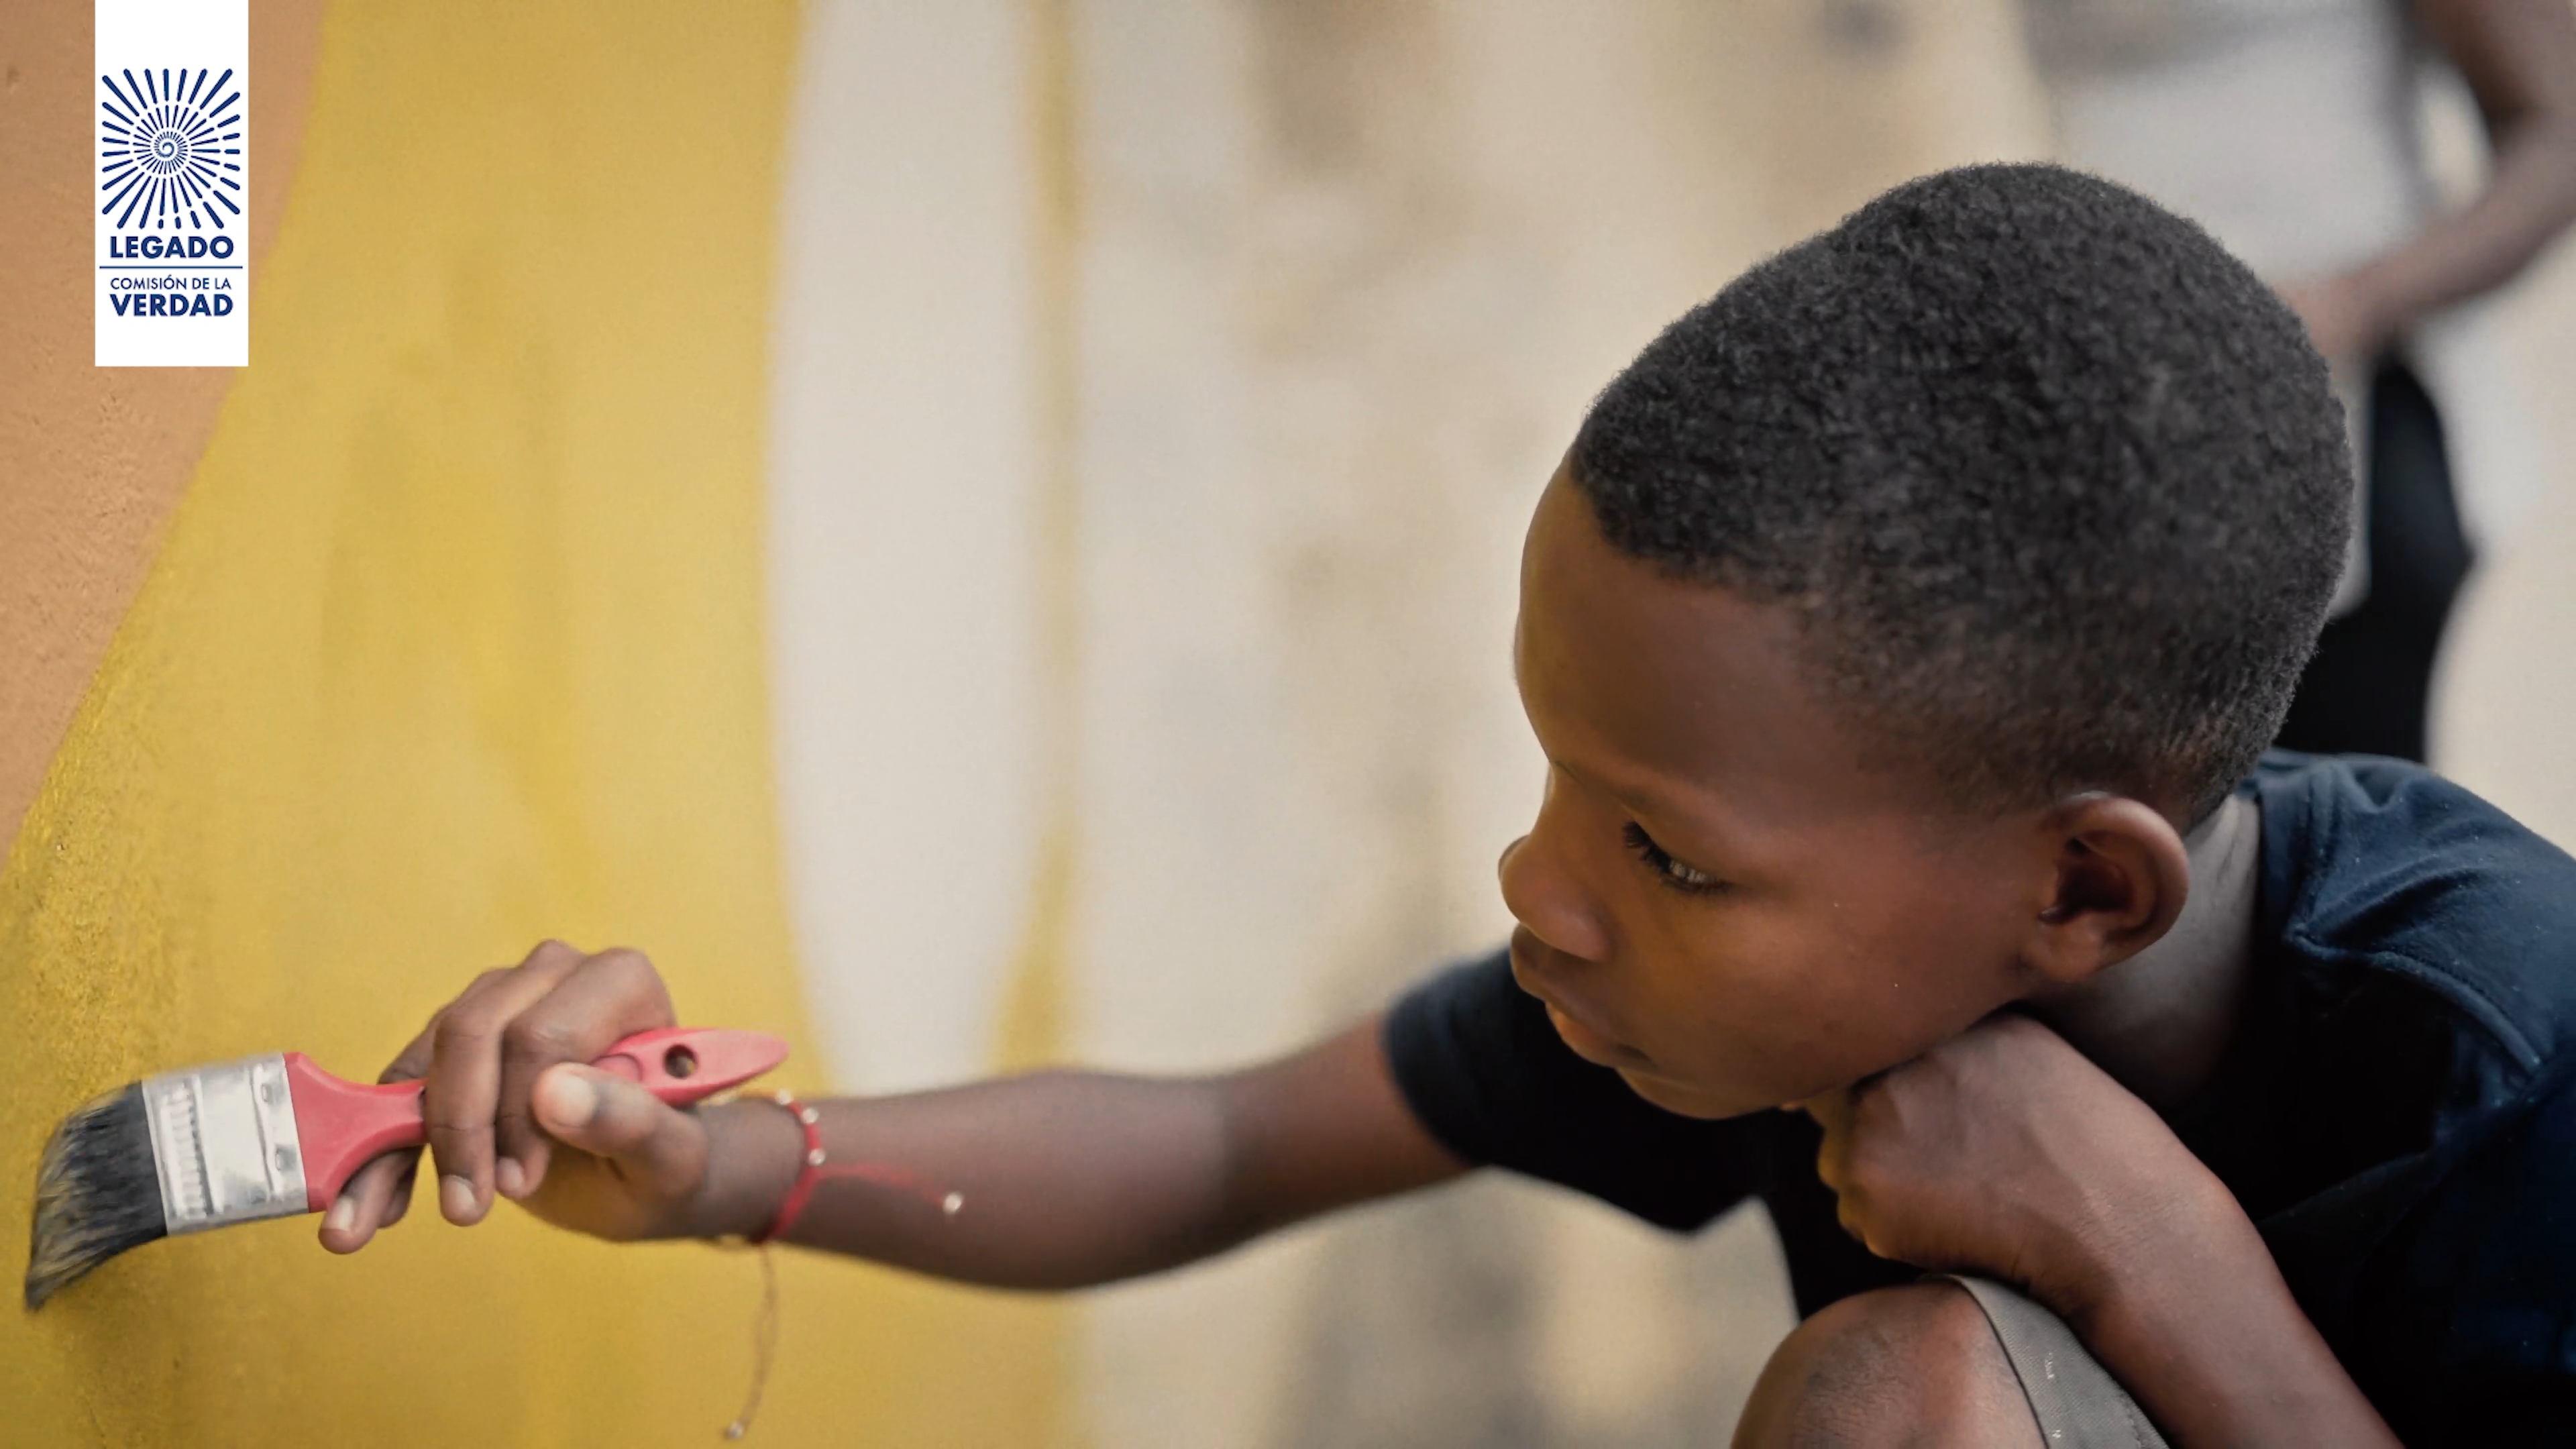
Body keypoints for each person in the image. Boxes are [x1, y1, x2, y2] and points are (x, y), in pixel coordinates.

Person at [323, 166, 2576, 1446]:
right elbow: (1220, 1143)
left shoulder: (2512, 1057)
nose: (1540, 891)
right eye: (1559, 788)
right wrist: (710, 1168)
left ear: (2085, 886)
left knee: (1914, 1405)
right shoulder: (1788, 972)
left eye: (1663, 846)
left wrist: (2148, 1251)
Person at [2021, 0, 2576, 760]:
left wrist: (2349, 302)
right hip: (2117, 417)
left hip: (2346, 413)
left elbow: (2560, 134)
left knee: (2320, 820)